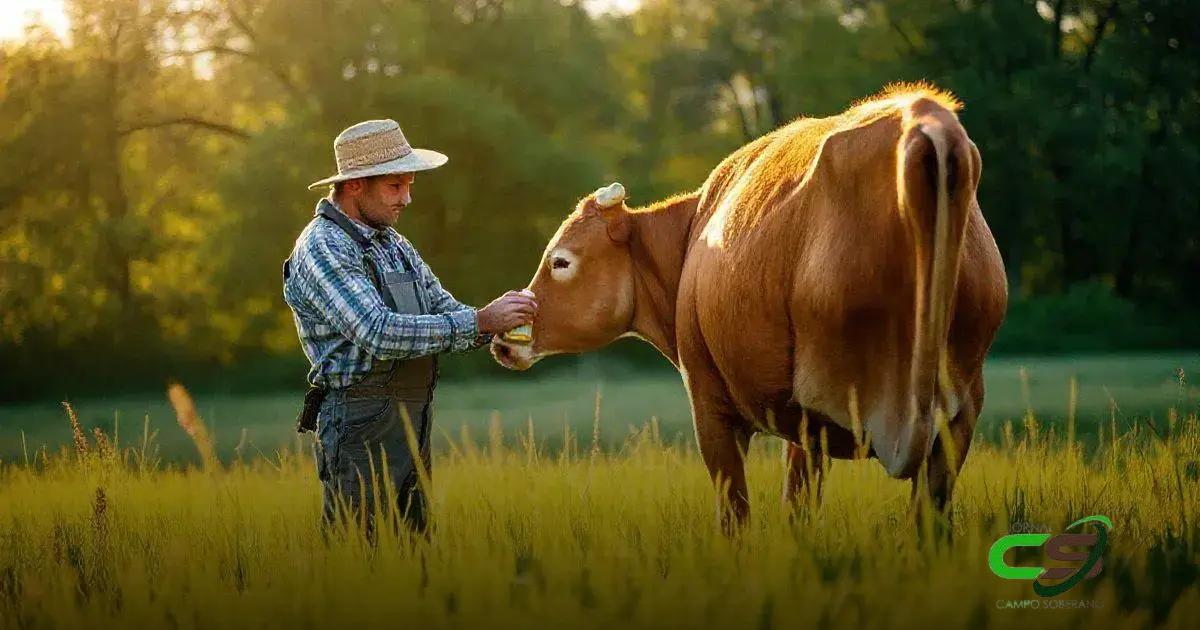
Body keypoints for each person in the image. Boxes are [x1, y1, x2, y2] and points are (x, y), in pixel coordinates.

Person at [282, 119, 537, 537]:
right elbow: (377, 332)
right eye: (395, 186)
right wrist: (479, 321)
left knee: (412, 553)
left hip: (412, 415)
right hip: (358, 422)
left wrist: (502, 322)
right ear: (355, 186)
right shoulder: (322, 246)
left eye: (409, 185)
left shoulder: (393, 243)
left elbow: (443, 308)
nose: (408, 199)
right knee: (357, 557)